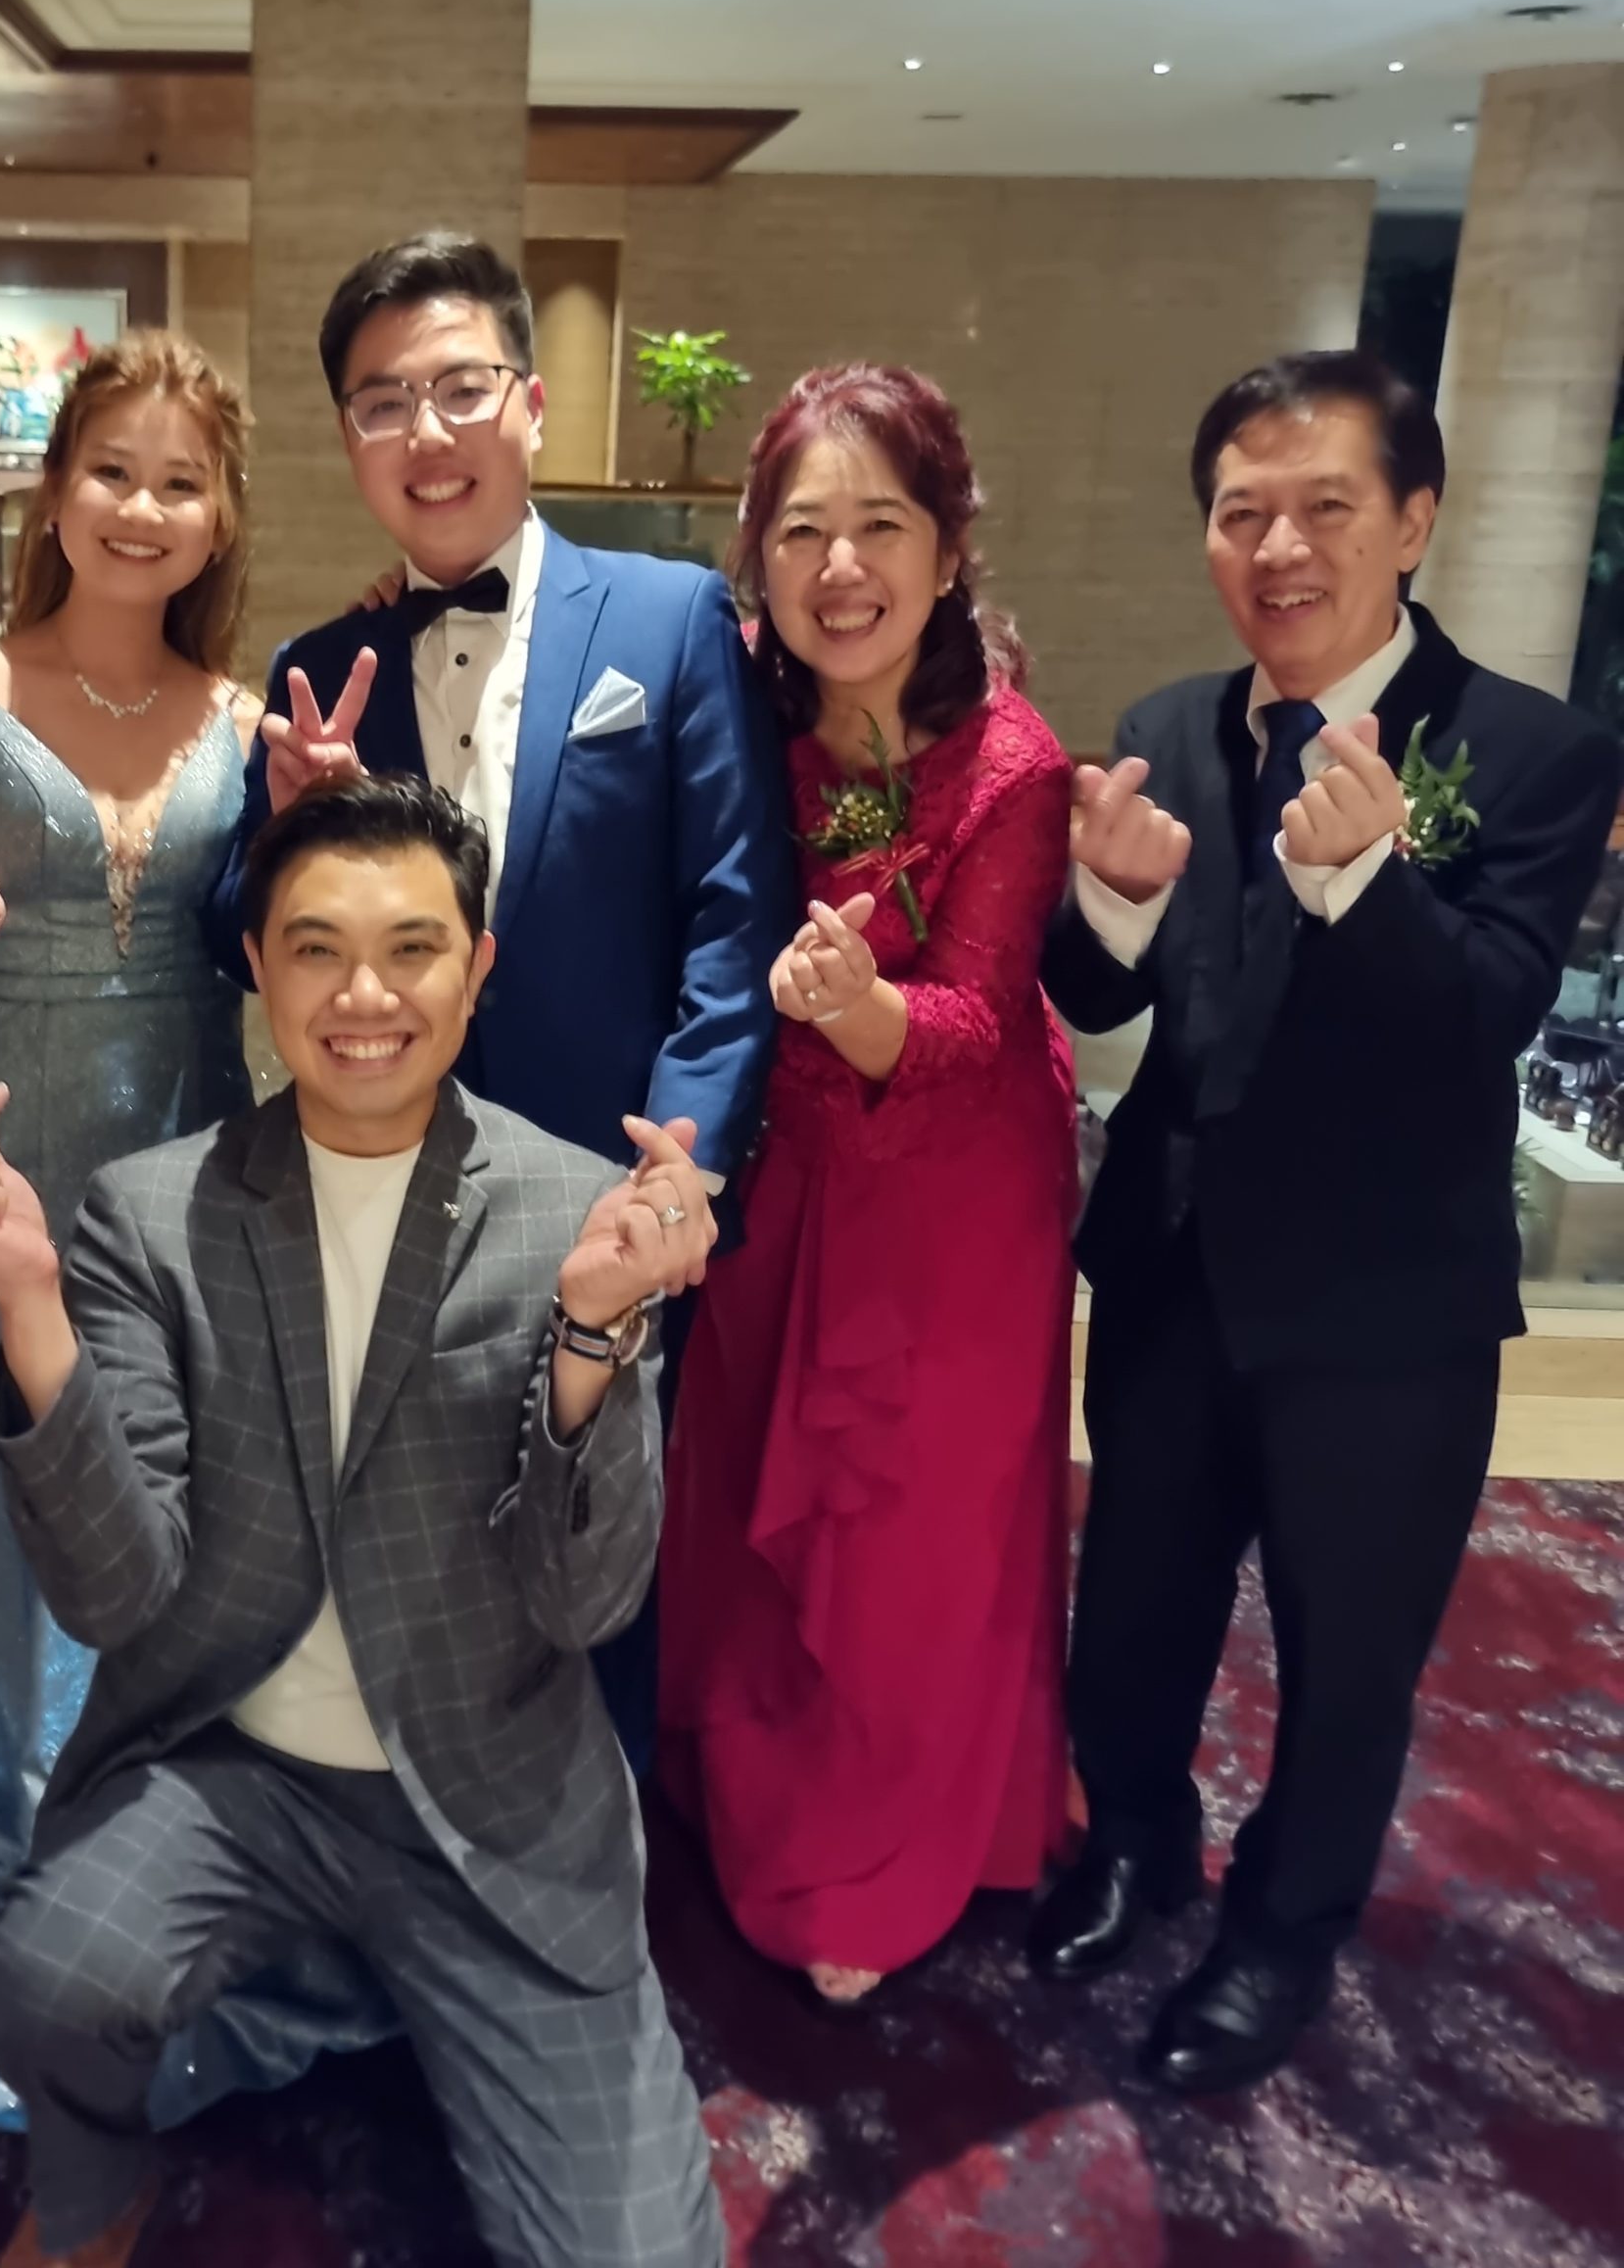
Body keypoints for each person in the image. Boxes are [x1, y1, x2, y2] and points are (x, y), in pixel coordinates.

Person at [0, 775, 722, 2268]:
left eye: (413, 949)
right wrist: (30, 1310)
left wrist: (592, 1336)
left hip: (491, 1781)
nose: (365, 997)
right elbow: (116, 1594)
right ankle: (100, 2193)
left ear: (479, 970)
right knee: (52, 1980)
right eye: (317, 949)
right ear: (256, 964)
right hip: (231, 1764)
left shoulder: (580, 1215)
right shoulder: (149, 1214)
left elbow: (586, 1602)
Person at [1031, 350, 1623, 2093]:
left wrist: (1370, 883)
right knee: (1133, 1608)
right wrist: (1105, 909)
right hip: (1169, 1271)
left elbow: (1482, 1019)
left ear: (1413, 522)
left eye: (1325, 508)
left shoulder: (1535, 752)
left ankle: (1285, 1930)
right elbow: (1096, 988)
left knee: (1347, 1656)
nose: (1278, 548)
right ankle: (1134, 1841)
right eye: (1242, 514)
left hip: (1384, 1312)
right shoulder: (1169, 726)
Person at [0, 330, 386, 2125]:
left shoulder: (246, 718)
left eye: (180, 481)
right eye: (112, 471)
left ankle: (168, 1829)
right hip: (4, 1148)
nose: (142, 508)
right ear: (55, 488)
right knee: (4, 1477)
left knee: (173, 1483)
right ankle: (22, 1831)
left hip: (188, 1159)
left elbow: (271, 944)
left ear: (220, 513)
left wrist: (306, 823)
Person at [208, 230, 794, 1767]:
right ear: (349, 439)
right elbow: (233, 936)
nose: (427, 431)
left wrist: (677, 1165)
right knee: (400, 1567)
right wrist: (284, 831)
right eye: (382, 401)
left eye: (460, 387)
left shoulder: (670, 619)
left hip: (608, 1198)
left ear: (530, 404)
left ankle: (587, 1871)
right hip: (386, 1202)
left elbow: (735, 916)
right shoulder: (321, 665)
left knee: (597, 1568)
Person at [658, 363, 1077, 2003]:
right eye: (803, 531)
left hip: (951, 1203)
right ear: (757, 558)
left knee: (903, 1538)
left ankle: (880, 1854)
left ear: (949, 549)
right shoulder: (744, 722)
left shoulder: (1014, 763)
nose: (841, 569)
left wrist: (859, 1010)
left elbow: (977, 1018)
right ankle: (752, 1794)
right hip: (786, 1175)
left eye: (881, 527)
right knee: (745, 1481)